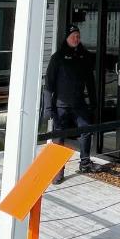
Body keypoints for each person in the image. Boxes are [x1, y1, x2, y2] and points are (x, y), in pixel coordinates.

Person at [43, 24, 100, 183]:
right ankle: (57, 171)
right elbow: (48, 84)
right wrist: (48, 108)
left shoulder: (83, 56)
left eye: (78, 36)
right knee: (59, 136)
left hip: (79, 103)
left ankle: (85, 163)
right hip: (61, 105)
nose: (76, 39)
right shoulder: (58, 57)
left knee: (86, 130)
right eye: (73, 36)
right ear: (67, 38)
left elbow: (90, 81)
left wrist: (93, 101)